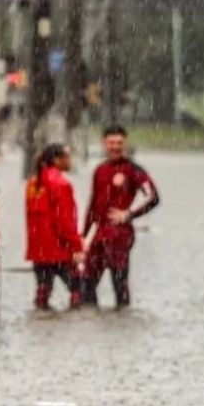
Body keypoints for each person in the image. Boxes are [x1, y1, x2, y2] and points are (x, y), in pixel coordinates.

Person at [81, 125, 159, 307]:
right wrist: (83, 238)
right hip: (98, 235)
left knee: (119, 284)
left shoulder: (133, 169)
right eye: (111, 143)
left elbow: (153, 197)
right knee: (86, 285)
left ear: (125, 143)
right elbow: (93, 205)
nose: (115, 147)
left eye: (119, 143)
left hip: (119, 236)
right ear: (104, 144)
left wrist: (130, 214)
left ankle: (122, 323)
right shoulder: (99, 170)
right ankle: (90, 327)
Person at [25, 143, 85, 310]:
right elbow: (64, 221)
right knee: (77, 290)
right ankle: (73, 326)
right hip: (59, 249)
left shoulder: (33, 183)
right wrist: (77, 246)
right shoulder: (61, 184)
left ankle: (42, 324)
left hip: (39, 250)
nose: (70, 160)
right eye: (67, 157)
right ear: (57, 160)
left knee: (42, 291)